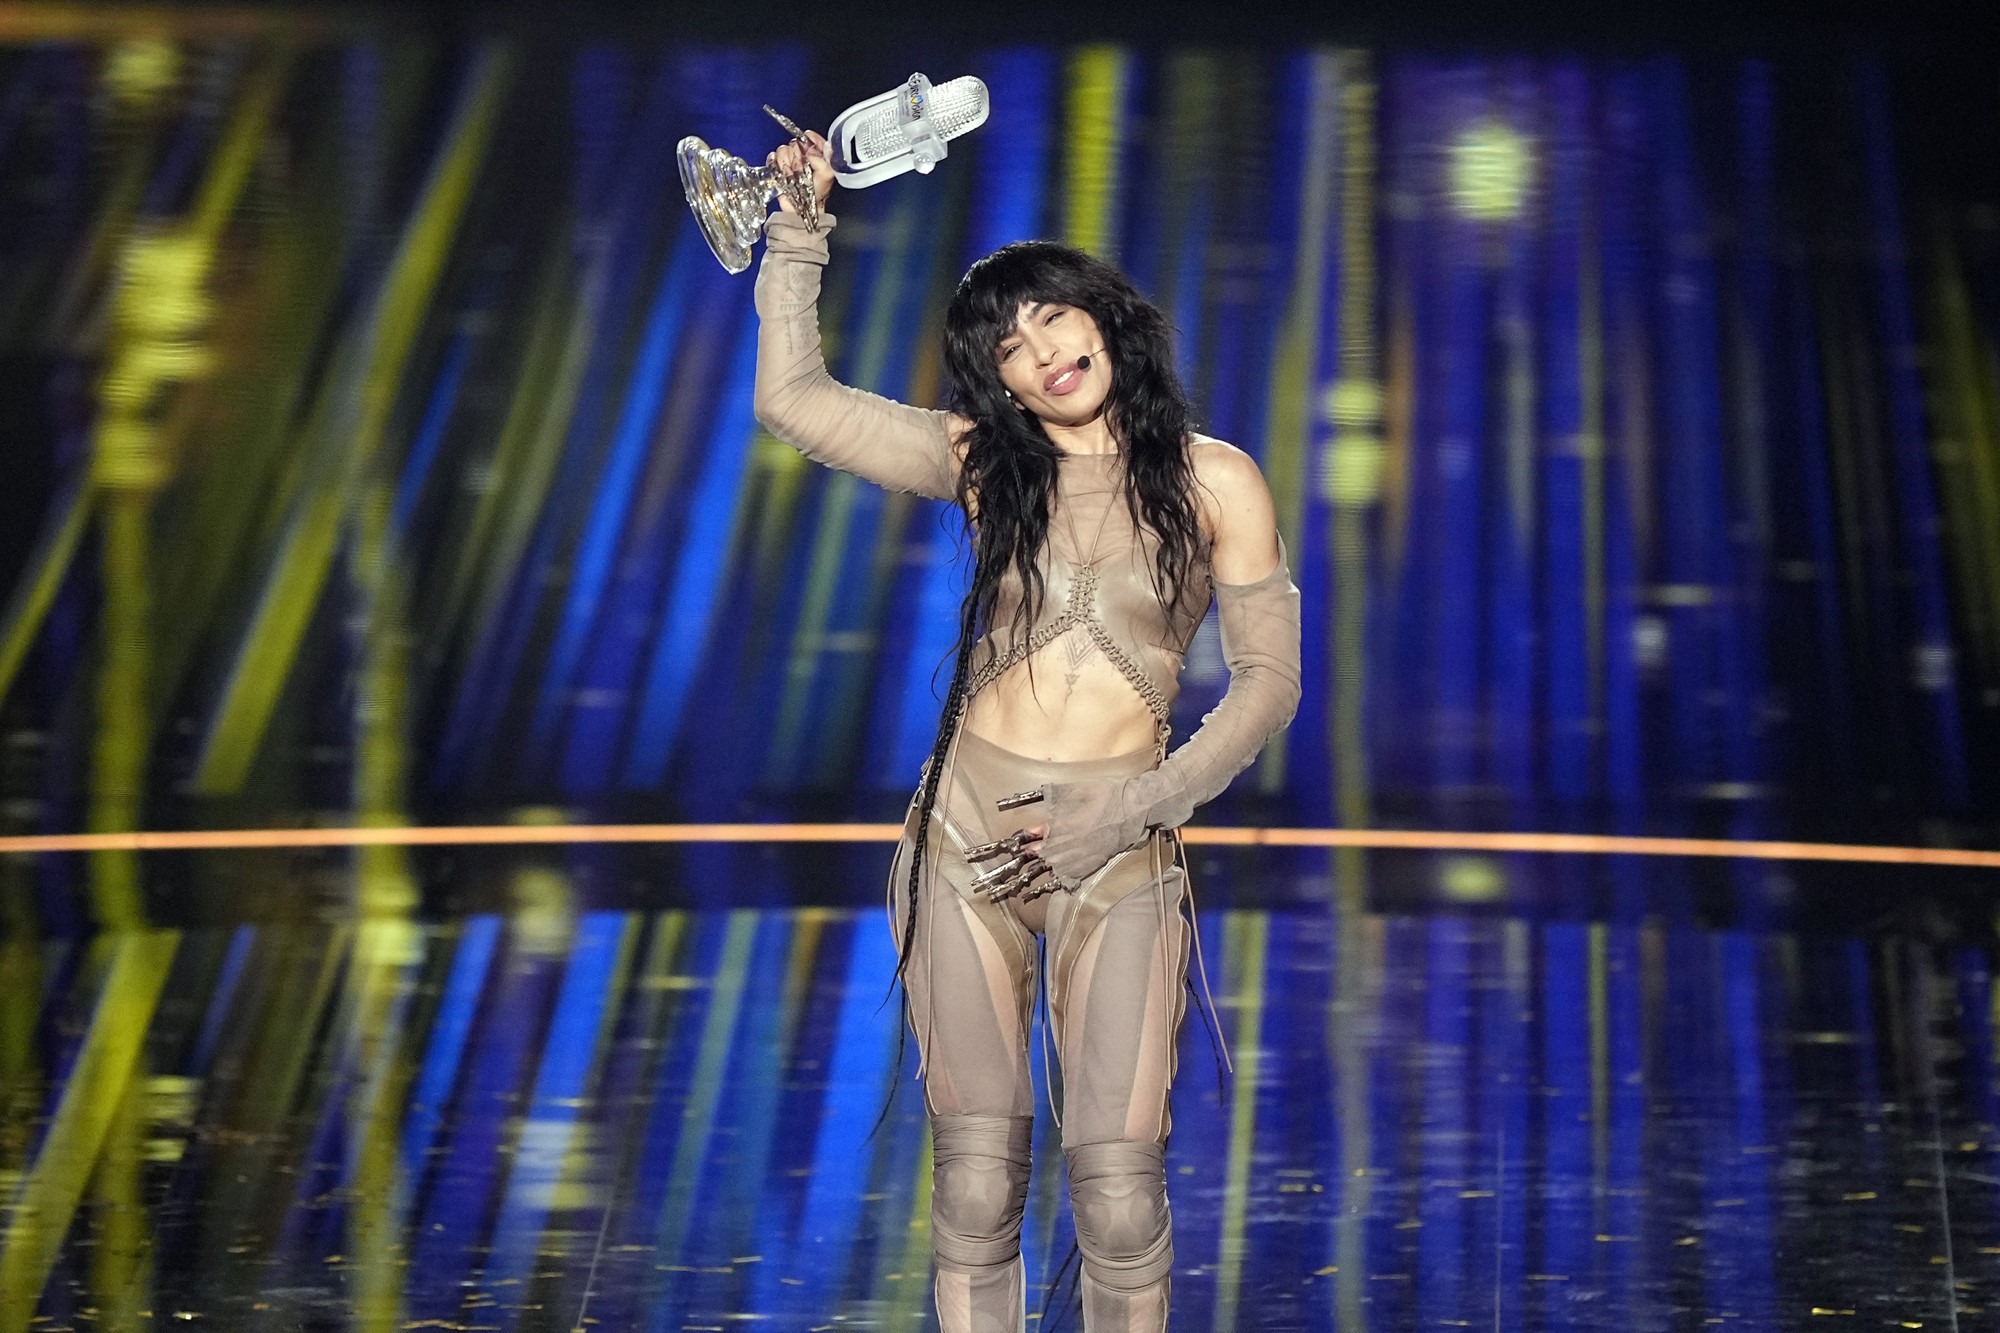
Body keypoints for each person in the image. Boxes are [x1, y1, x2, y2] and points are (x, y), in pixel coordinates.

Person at [752, 131, 1301, 1333]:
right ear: (994, 382)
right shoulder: (981, 465)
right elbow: (793, 401)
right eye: (1008, 346)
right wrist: (798, 233)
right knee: (977, 1185)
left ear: (1104, 320)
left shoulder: (1219, 481)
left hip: (1121, 842)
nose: (1043, 353)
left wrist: (1139, 805)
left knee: (1114, 1194)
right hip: (960, 841)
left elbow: (1266, 684)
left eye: (1054, 319)